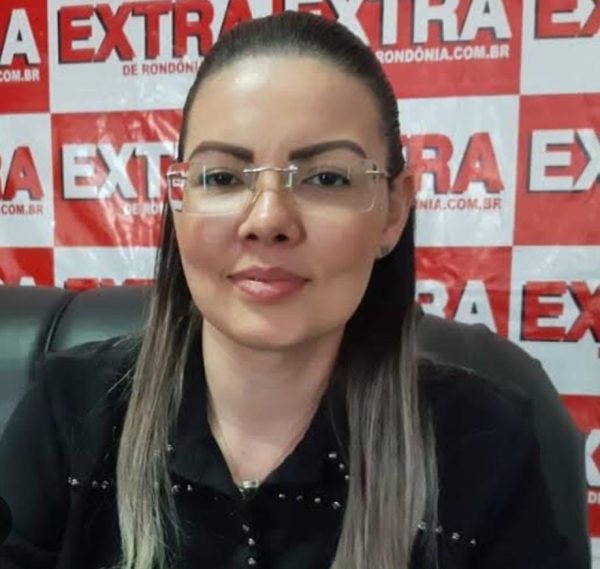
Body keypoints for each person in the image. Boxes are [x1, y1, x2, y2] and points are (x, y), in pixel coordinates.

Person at [0, 10, 579, 569]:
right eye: (222, 177)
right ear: (178, 201)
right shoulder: (67, 412)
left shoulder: (485, 445)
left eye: (326, 178)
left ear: (393, 211)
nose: (268, 219)